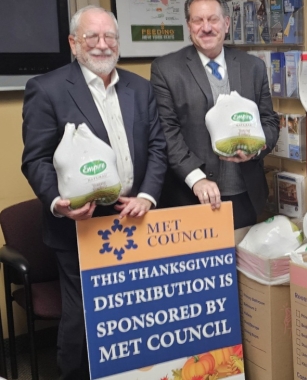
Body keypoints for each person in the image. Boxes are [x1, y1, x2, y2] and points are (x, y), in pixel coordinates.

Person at [20, 5, 167, 379]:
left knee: (134, 316)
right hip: (78, 229)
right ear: (74, 43)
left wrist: (147, 196)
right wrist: (58, 203)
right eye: (92, 37)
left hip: (134, 220)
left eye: (110, 37)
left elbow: (157, 149)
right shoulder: (47, 89)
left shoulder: (141, 87)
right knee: (84, 320)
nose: (102, 45)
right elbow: (35, 159)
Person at [151, 0, 279, 229]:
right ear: (189, 26)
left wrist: (255, 149)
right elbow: (167, 132)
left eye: (213, 19)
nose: (206, 27)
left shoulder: (253, 67)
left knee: (242, 264)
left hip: (245, 194)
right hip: (191, 196)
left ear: (227, 23)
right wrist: (196, 178)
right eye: (198, 20)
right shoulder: (166, 69)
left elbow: (269, 121)